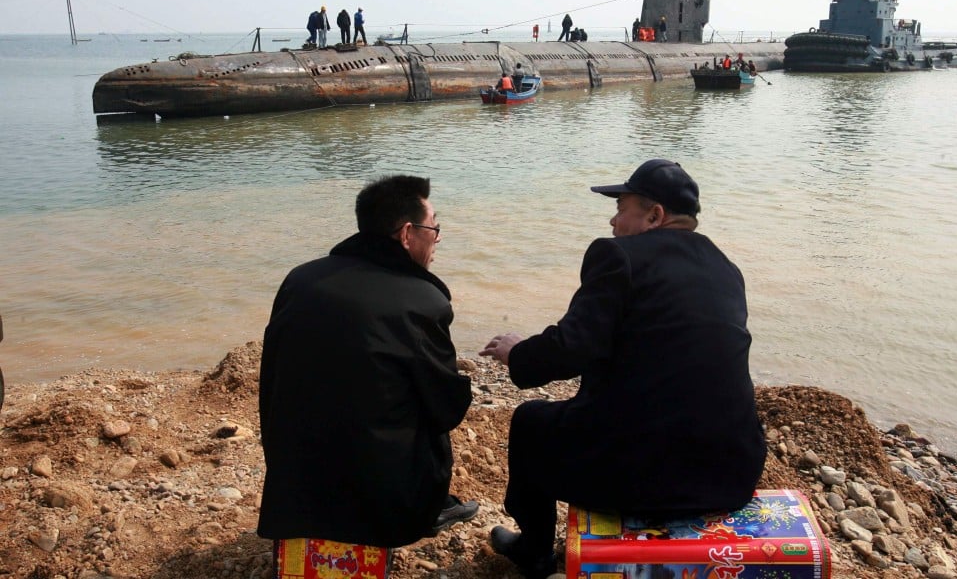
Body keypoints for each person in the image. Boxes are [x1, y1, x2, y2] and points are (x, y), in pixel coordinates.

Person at [481, 159, 766, 579]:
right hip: (732, 472)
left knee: (529, 422)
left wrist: (518, 353)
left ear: (654, 216)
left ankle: (534, 550)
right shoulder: (726, 268)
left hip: (641, 477)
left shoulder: (618, 256)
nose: (613, 221)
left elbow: (573, 347)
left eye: (621, 209)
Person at [258, 175, 478, 553]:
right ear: (407, 234)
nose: (438, 238)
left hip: (295, 483)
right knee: (429, 406)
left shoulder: (300, 279)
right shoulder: (422, 300)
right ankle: (427, 508)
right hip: (382, 500)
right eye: (434, 228)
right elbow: (447, 409)